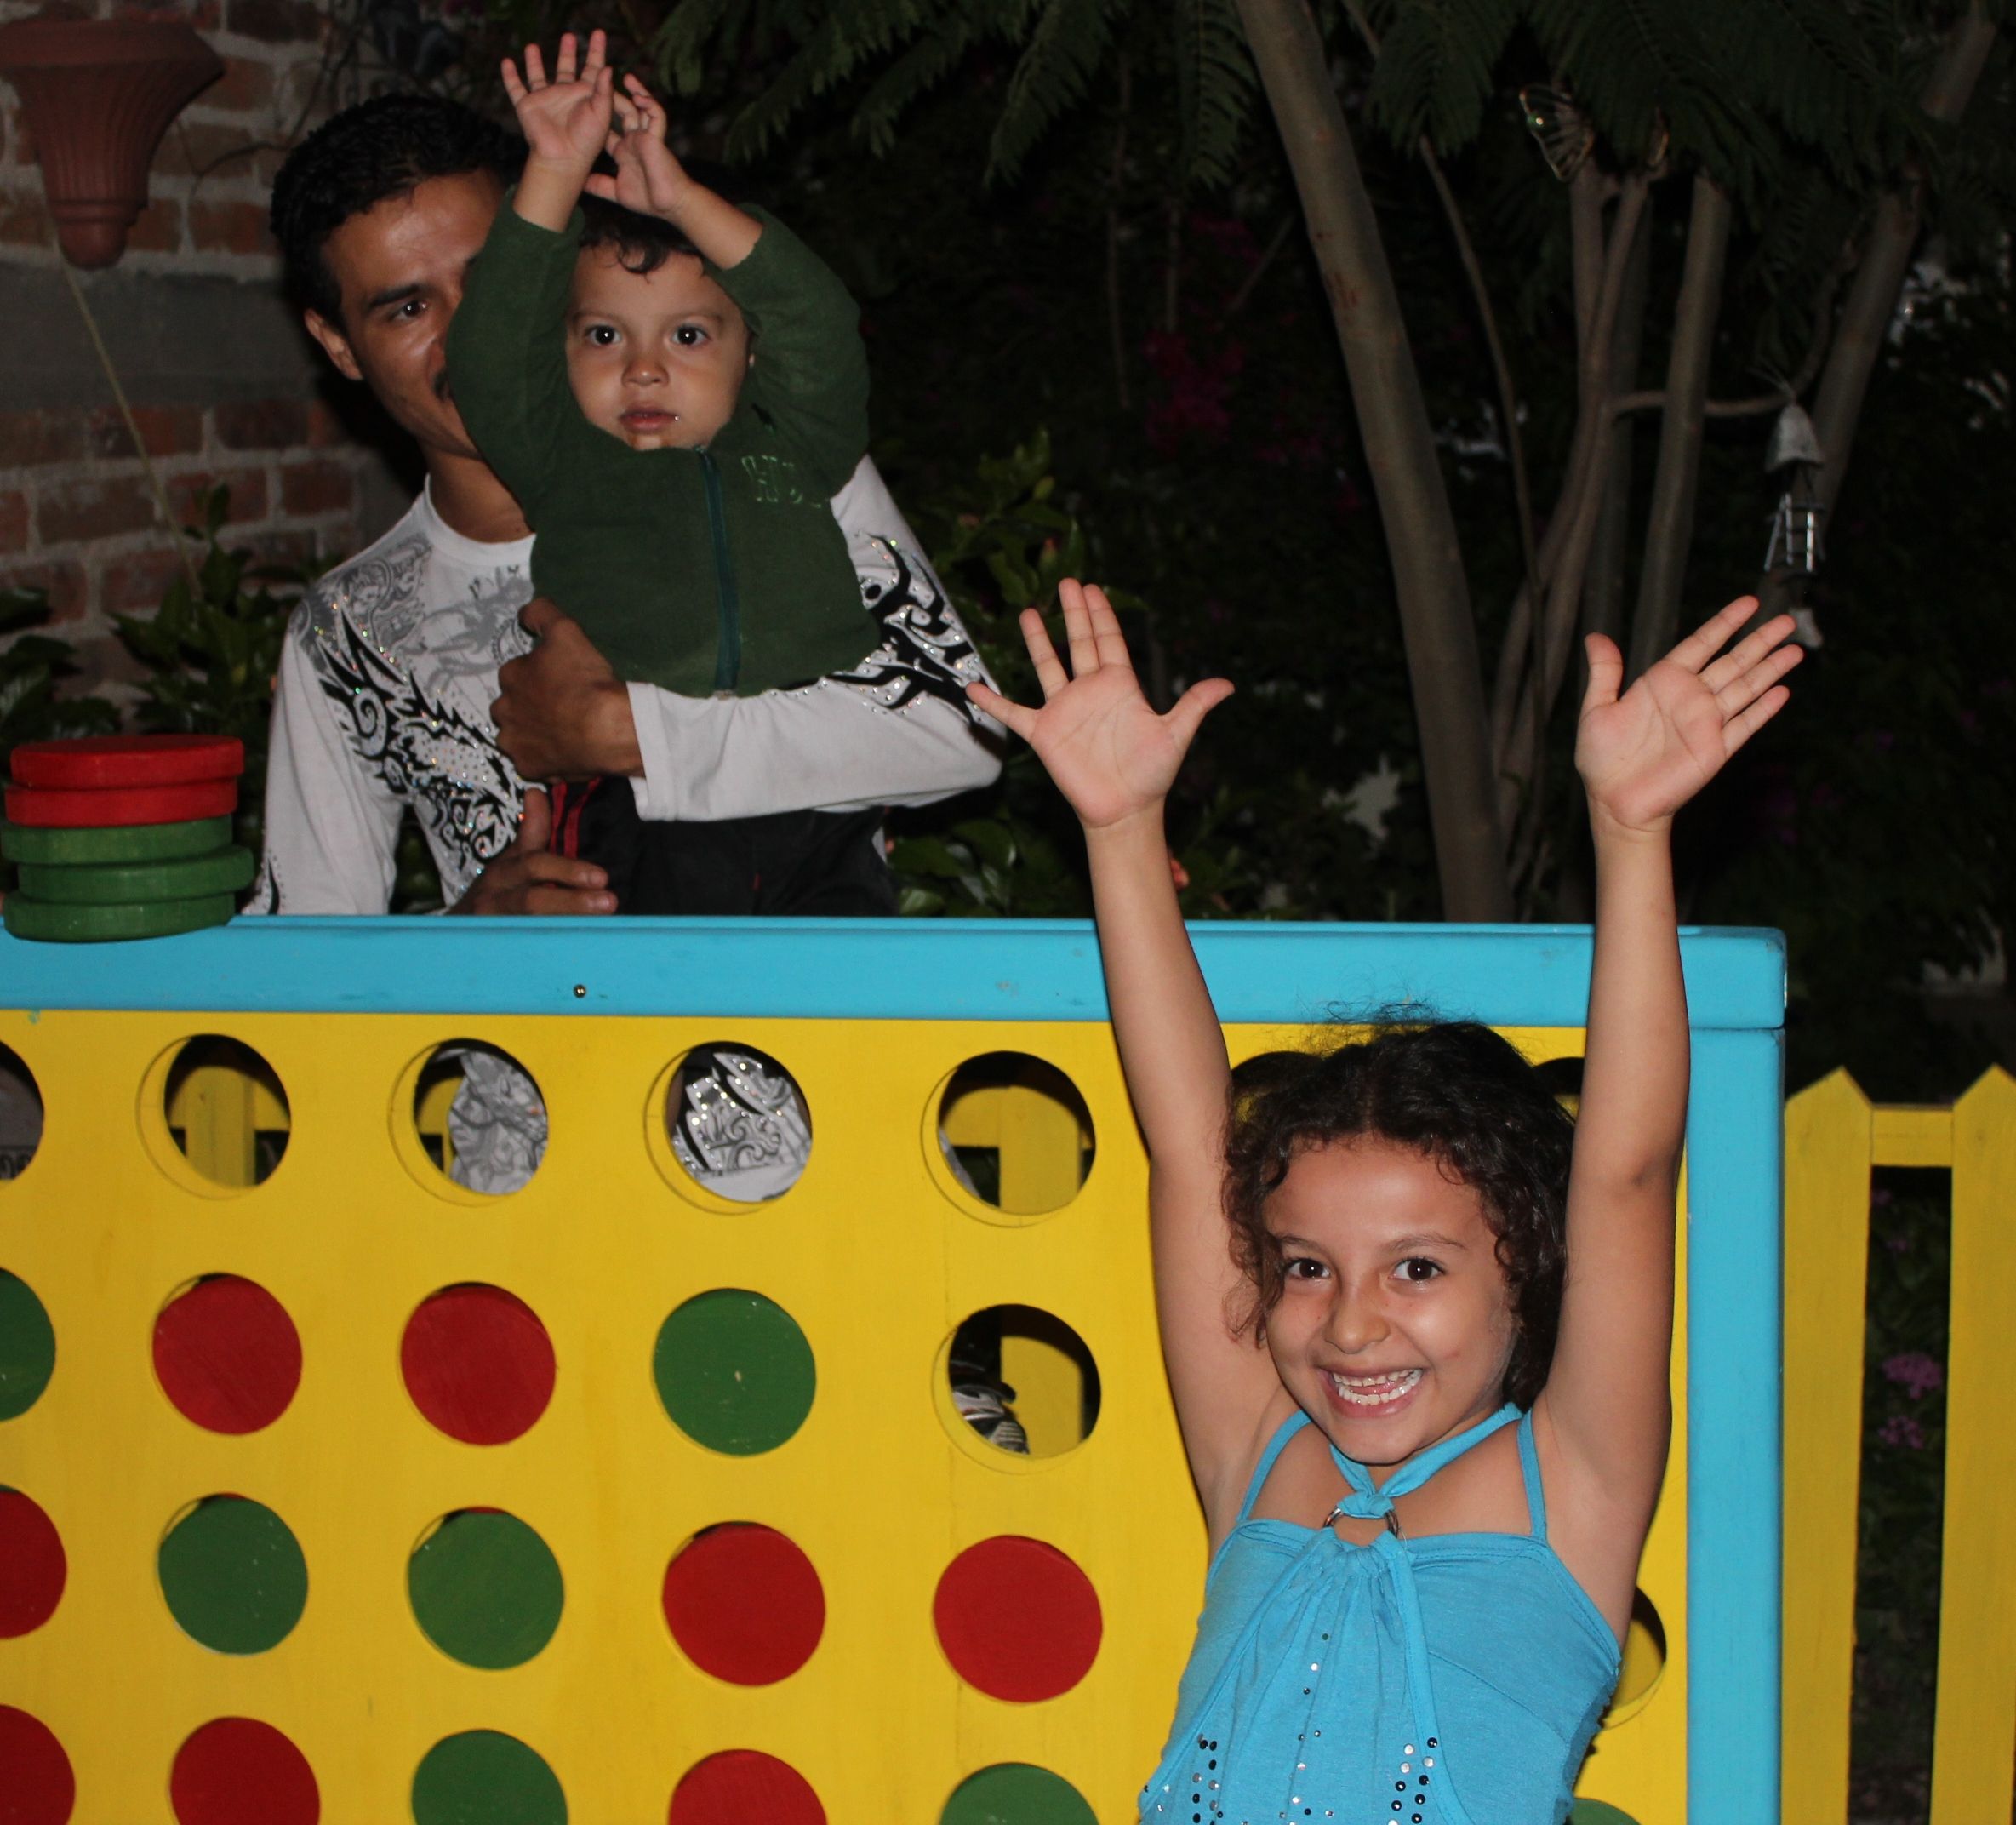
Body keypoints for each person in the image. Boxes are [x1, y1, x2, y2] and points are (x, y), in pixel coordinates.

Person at [970, 581, 1799, 1820]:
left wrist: (1631, 840)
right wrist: (1121, 830)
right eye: (1307, 1266)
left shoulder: (1566, 1487)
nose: (1349, 1326)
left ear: (1524, 1271)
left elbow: (1624, 1174)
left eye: (1416, 1268)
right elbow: (1189, 1144)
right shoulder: (1258, 1455)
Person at [251, 92, 1002, 1193]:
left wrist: (627, 731)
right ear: (339, 344)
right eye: (405, 306)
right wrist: (461, 940)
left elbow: (961, 727)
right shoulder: (346, 631)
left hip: (830, 1151)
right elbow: (299, 984)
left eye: (497, 269)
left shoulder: (771, 472)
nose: (469, 330)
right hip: (535, 1198)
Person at [445, 34, 889, 911]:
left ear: (749, 354)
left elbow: (821, 325)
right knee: (660, 1012)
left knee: (838, 1014)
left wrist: (685, 200)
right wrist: (553, 174)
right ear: (563, 350)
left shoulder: (793, 445)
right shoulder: (565, 461)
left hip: (818, 797)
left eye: (689, 336)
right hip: (639, 808)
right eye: (604, 336)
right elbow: (492, 353)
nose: (644, 370)